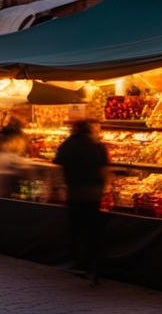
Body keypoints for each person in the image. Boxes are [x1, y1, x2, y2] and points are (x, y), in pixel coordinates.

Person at [54, 120, 111, 285]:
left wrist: (60, 188)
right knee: (93, 230)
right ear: (89, 130)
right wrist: (106, 188)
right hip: (94, 194)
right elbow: (105, 170)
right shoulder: (98, 146)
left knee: (76, 229)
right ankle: (95, 267)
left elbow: (58, 166)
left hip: (75, 193)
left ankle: (79, 264)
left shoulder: (68, 145)